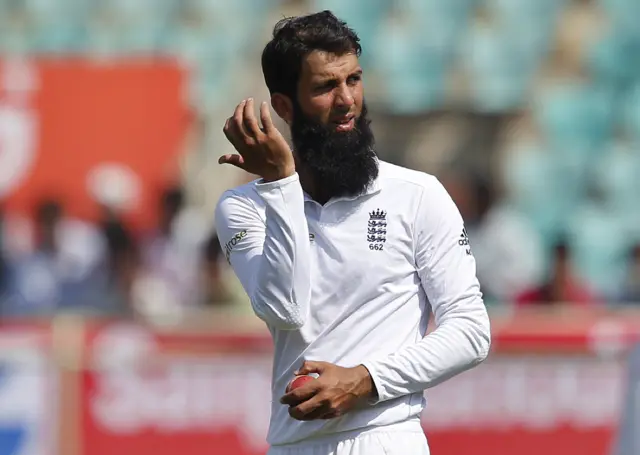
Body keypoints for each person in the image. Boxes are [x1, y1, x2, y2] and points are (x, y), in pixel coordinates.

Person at [215, 11, 491, 455]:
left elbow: (471, 332)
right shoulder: (244, 207)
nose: (347, 101)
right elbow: (284, 309)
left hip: (387, 438)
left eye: (354, 80)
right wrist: (283, 184)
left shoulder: (418, 195)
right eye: (326, 87)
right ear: (284, 106)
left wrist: (365, 380)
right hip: (293, 445)